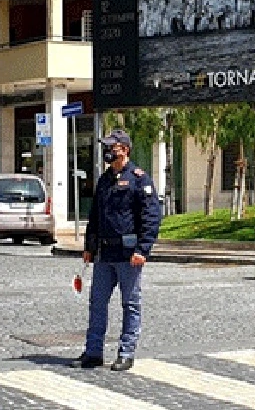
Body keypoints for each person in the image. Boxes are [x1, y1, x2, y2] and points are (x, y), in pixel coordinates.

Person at [72, 129, 162, 372]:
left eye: (113, 147)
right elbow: (95, 217)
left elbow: (151, 217)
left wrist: (143, 249)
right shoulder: (104, 180)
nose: (108, 152)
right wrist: (89, 246)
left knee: (130, 303)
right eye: (107, 147)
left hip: (128, 254)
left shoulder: (139, 179)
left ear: (125, 149)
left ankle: (126, 352)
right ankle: (93, 352)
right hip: (103, 254)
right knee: (97, 304)